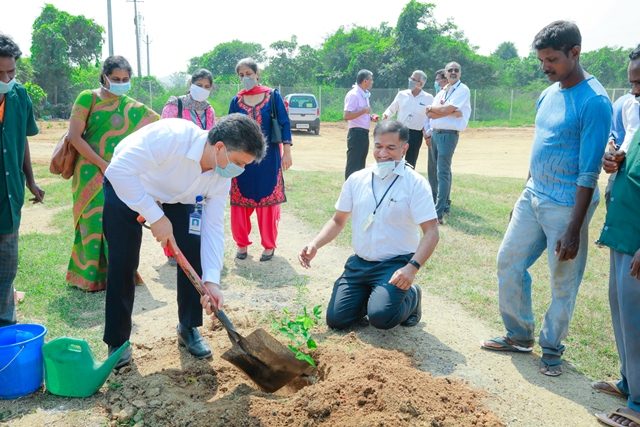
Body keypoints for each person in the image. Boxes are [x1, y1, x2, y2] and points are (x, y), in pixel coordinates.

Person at [481, 21, 612, 377]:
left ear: (575, 52)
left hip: (567, 206)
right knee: (508, 260)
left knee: (562, 281)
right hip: (534, 195)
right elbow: (540, 149)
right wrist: (523, 193)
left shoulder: (596, 102)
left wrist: (575, 227)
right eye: (541, 60)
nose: (545, 67)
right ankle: (519, 334)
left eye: (552, 59)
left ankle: (552, 347)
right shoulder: (548, 93)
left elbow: (588, 173)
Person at [103, 114, 266, 368]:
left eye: (244, 165)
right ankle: (118, 340)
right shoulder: (171, 137)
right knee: (123, 262)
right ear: (220, 146)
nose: (239, 170)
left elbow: (212, 226)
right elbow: (118, 171)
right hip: (129, 187)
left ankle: (188, 326)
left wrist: (212, 281)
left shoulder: (221, 175)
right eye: (237, 162)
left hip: (181, 199)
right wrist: (155, 216)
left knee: (193, 248)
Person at [299, 120, 439, 330]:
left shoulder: (415, 183)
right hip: (360, 264)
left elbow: (432, 232)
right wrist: (315, 244)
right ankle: (375, 295)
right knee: (337, 321)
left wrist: (411, 268)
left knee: (382, 318)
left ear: (405, 148)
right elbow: (338, 220)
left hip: (395, 264)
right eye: (378, 146)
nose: (383, 153)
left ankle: (412, 296)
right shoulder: (357, 179)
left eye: (391, 147)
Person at [65, 56, 159, 292]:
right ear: (104, 77)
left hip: (120, 173)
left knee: (117, 220)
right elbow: (74, 137)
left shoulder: (132, 108)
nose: (120, 83)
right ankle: (88, 277)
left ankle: (121, 273)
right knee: (92, 221)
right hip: (89, 170)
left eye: (125, 79)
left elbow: (159, 126)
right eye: (116, 79)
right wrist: (101, 164)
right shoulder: (88, 98)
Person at [592, 46, 640, 427]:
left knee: (637, 317)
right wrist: (613, 158)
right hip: (623, 232)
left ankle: (639, 405)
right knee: (622, 310)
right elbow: (623, 155)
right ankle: (629, 382)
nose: (634, 91)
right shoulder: (634, 114)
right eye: (632, 83)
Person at [228, 58, 292, 262]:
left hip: (269, 157)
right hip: (242, 159)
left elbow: (284, 123)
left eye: (248, 73)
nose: (245, 78)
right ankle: (241, 244)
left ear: (257, 73)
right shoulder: (236, 101)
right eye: (241, 75)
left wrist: (287, 152)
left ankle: (268, 245)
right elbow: (230, 129)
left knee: (267, 200)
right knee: (240, 202)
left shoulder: (272, 96)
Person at [0, 34, 45, 326]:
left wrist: (30, 179)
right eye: (0, 73)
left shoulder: (20, 97)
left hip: (9, 194)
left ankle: (5, 321)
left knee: (7, 263)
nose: (6, 77)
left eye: (11, 72)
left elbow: (22, 141)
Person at [161, 68, 217, 265]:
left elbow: (212, 136)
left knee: (195, 209)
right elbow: (164, 133)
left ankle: (192, 246)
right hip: (176, 165)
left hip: (199, 166)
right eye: (199, 85)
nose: (202, 89)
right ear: (190, 85)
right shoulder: (175, 105)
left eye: (207, 87)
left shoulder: (209, 110)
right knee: (173, 208)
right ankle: (172, 251)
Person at [426, 62, 471, 223]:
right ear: (445, 73)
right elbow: (431, 114)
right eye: (450, 70)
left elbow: (442, 110)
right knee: (435, 172)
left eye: (456, 70)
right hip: (436, 135)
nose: (453, 72)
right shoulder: (443, 91)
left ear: (460, 73)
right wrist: (447, 112)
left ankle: (438, 212)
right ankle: (440, 206)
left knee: (442, 172)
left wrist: (441, 110)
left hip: (448, 136)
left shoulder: (462, 89)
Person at [382, 70, 433, 168]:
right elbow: (392, 108)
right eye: (411, 78)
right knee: (395, 159)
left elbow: (430, 117)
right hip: (400, 132)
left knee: (411, 162)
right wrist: (386, 115)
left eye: (414, 79)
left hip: (416, 134)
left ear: (421, 83)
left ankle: (407, 182)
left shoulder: (428, 98)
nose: (410, 80)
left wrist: (428, 134)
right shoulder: (402, 94)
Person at [343, 69, 379, 179]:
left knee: (360, 164)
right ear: (365, 81)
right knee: (353, 163)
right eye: (371, 80)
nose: (372, 82)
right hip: (356, 133)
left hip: (363, 133)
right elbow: (347, 116)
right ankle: (349, 189)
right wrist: (363, 111)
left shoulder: (364, 94)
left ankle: (357, 189)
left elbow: (362, 113)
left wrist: (370, 117)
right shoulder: (354, 94)